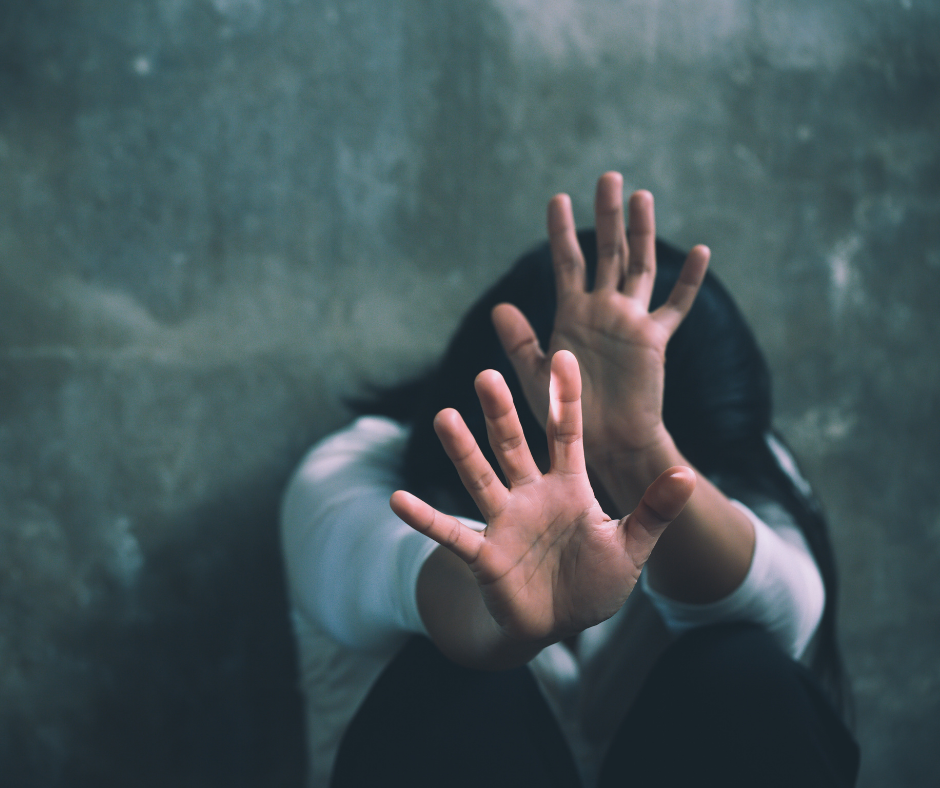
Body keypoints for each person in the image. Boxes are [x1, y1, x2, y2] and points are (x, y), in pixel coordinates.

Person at [281, 173, 860, 787]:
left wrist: (635, 450)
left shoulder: (739, 460)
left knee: (745, 672)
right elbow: (398, 567)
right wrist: (503, 611)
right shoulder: (349, 474)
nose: (603, 509)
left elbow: (785, 614)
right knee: (453, 682)